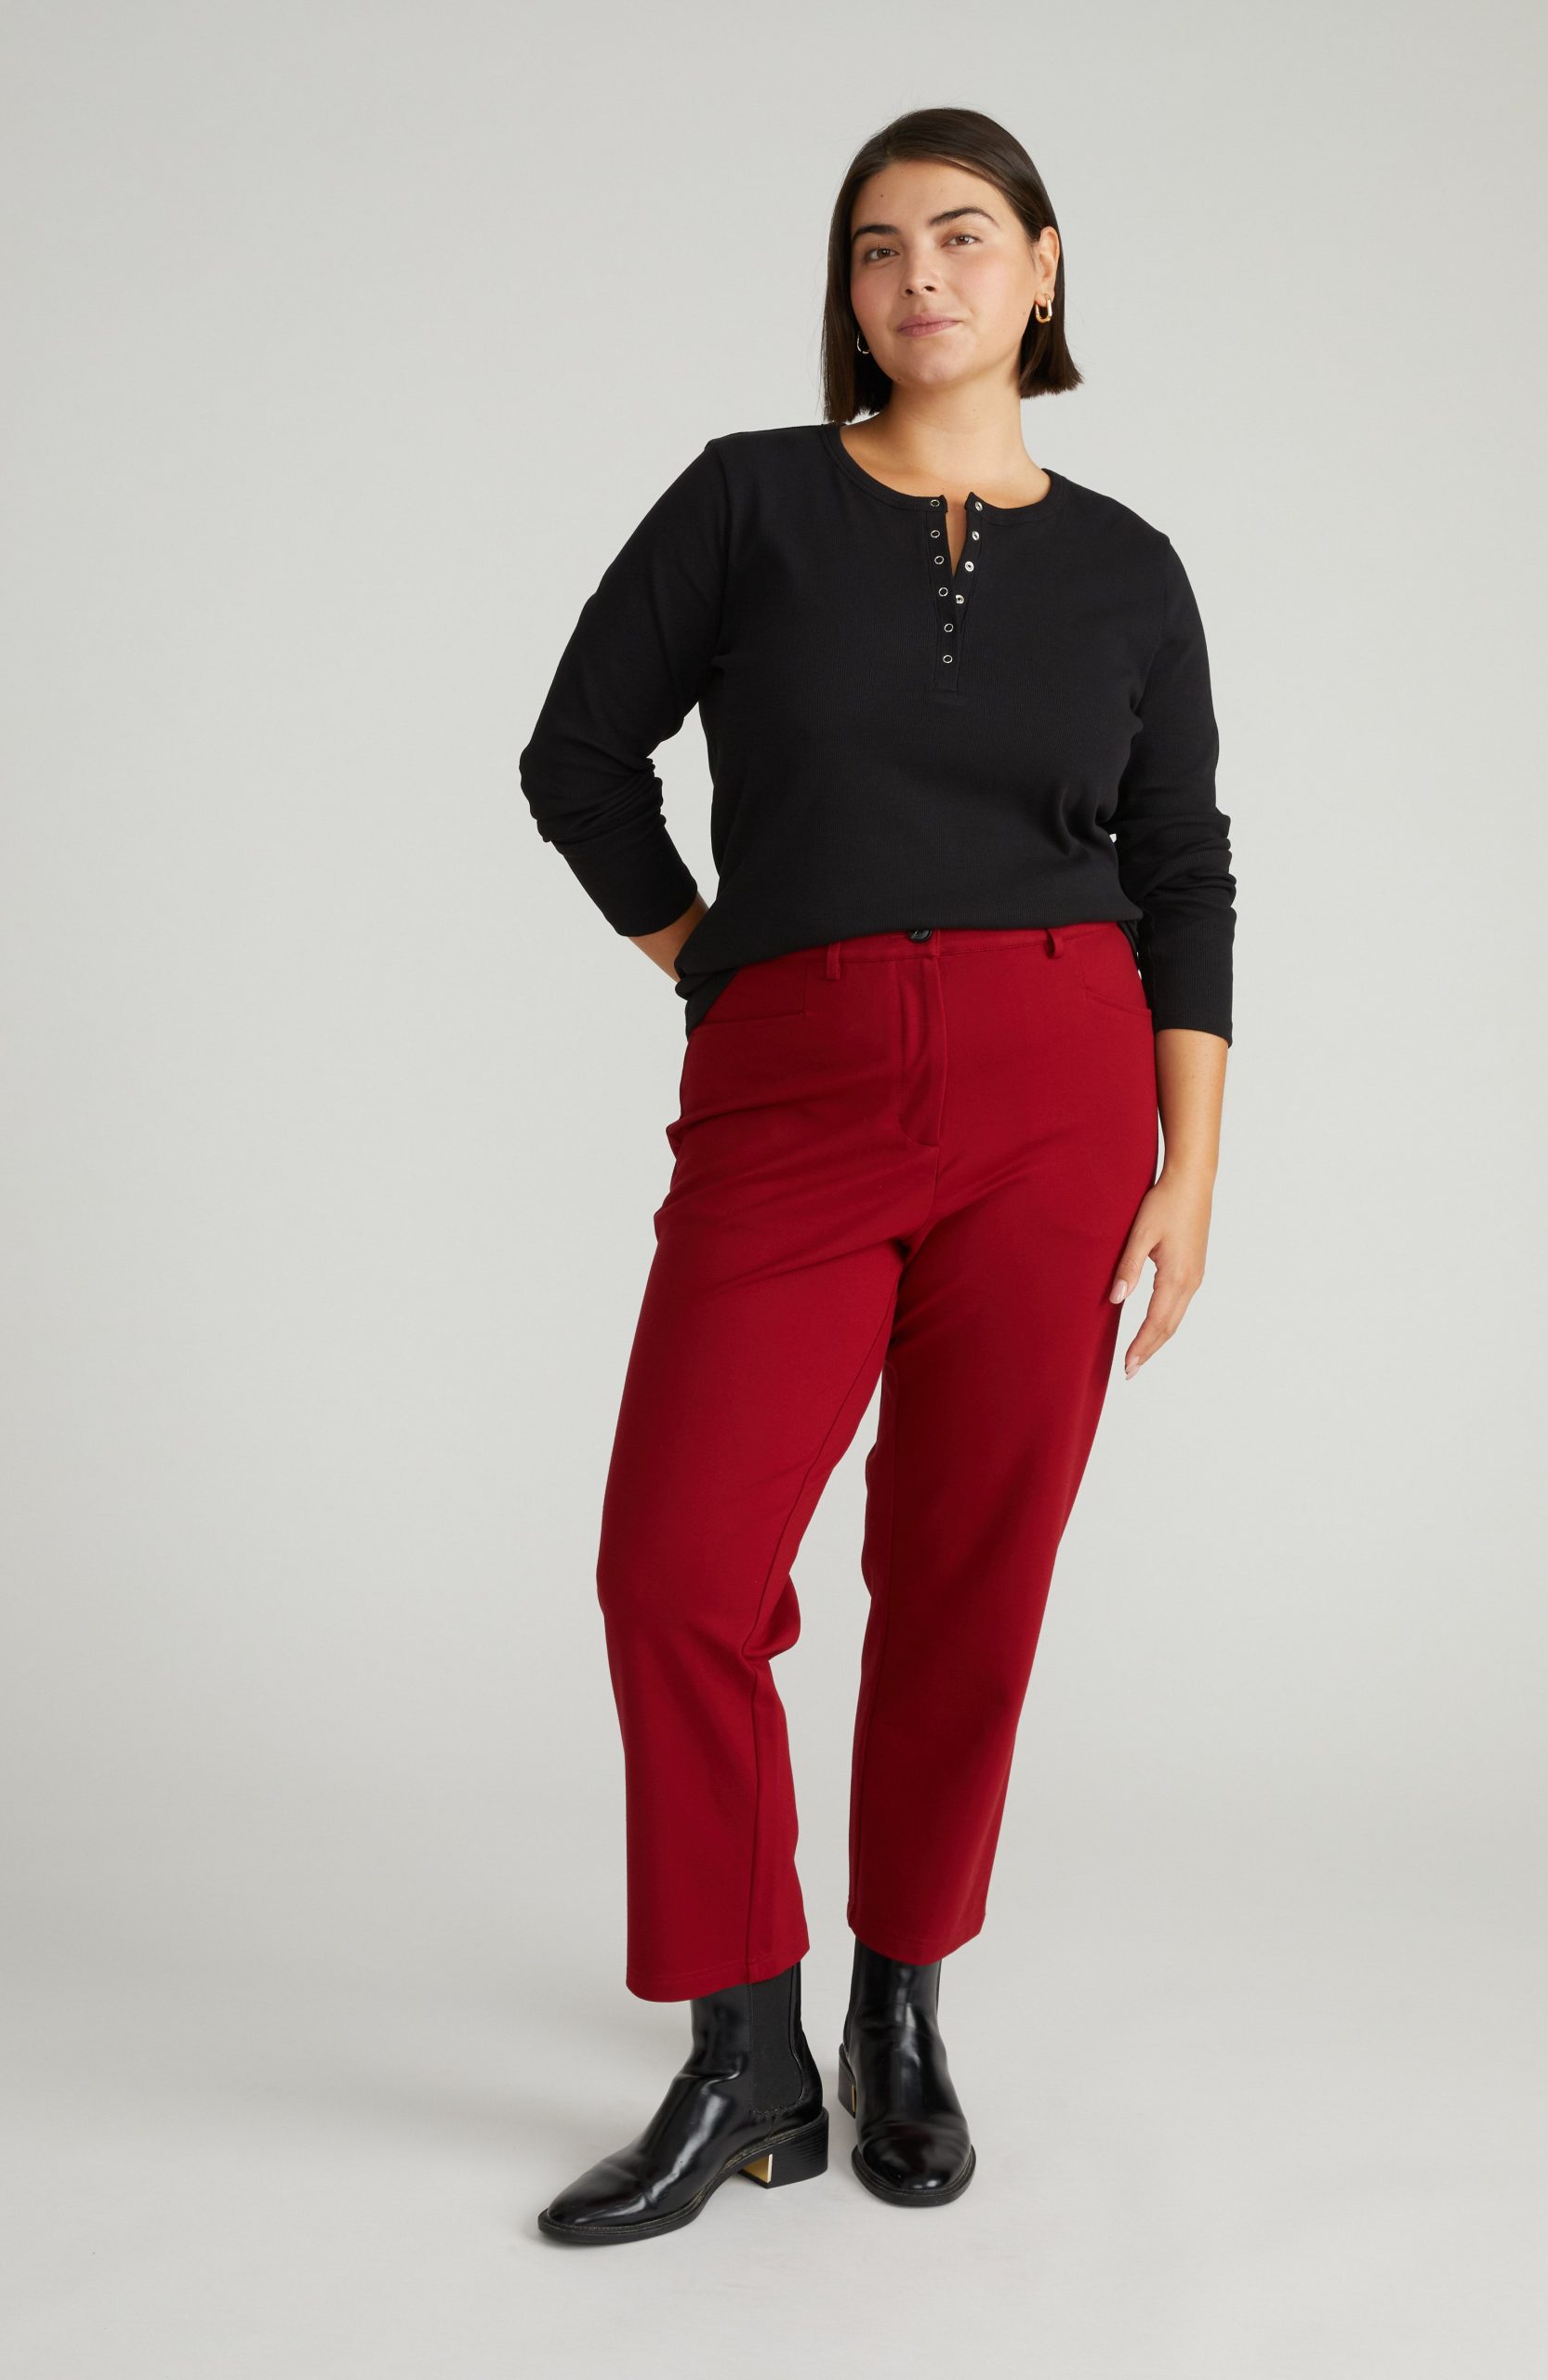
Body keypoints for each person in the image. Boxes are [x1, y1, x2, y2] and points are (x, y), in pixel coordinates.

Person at [517, 107, 1235, 2246]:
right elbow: (576, 754)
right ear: (846, 292)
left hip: (1061, 1090)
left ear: (1040, 267)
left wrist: (1193, 1163)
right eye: (875, 246)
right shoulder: (747, 502)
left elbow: (1184, 870)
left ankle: (896, 2004)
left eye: (961, 235)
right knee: (676, 1562)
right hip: (793, 1089)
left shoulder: (1128, 569)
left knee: (965, 1566)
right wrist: (716, 960)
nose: (918, 275)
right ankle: (742, 2050)